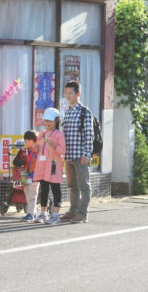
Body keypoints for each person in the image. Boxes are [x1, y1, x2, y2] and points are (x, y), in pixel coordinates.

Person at [61, 81, 95, 224]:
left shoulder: (85, 112)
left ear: (78, 94)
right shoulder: (67, 112)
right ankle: (73, 211)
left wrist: (86, 154)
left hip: (80, 155)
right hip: (68, 155)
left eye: (71, 93)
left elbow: (89, 134)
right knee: (72, 185)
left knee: (84, 185)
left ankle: (83, 213)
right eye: (66, 93)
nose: (68, 96)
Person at [34, 108, 67, 224]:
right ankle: (43, 213)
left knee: (56, 190)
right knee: (44, 190)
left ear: (56, 120)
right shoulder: (42, 134)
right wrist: (36, 148)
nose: (47, 123)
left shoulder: (59, 135)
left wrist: (54, 146)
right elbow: (38, 148)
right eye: (46, 121)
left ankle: (56, 215)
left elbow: (63, 151)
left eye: (50, 121)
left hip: (53, 166)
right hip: (43, 166)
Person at [17, 131, 40, 223]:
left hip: (35, 175)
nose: (26, 141)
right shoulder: (25, 150)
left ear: (33, 141)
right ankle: (33, 211)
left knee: (33, 194)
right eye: (25, 139)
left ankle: (31, 214)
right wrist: (21, 152)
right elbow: (17, 161)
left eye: (28, 139)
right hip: (25, 175)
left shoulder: (37, 150)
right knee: (27, 192)